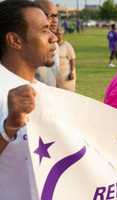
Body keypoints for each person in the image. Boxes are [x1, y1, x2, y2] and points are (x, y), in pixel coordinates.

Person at [0, 1, 57, 199]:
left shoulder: (43, 90)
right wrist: (9, 128)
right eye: (44, 30)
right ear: (15, 40)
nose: (53, 37)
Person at [35, 0, 60, 86]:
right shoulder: (29, 46)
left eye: (56, 16)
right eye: (50, 16)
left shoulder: (55, 45)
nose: (55, 20)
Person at [56, 27, 76, 91]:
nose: (58, 36)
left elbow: (72, 60)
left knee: (67, 93)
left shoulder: (67, 45)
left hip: (65, 75)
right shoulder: (52, 45)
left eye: (60, 34)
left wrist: (72, 72)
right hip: (55, 75)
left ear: (62, 35)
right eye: (56, 34)